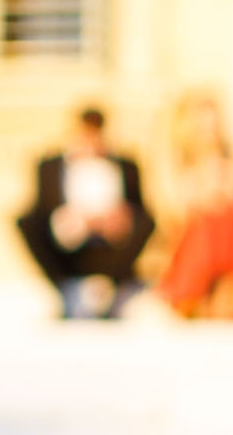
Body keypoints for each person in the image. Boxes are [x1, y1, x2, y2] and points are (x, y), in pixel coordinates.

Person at [18, 106, 156, 318]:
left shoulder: (125, 166)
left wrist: (118, 218)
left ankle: (112, 291)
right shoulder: (51, 167)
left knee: (144, 222)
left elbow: (140, 210)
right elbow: (41, 208)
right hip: (66, 244)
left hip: (111, 245)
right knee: (26, 221)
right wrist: (68, 220)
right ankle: (65, 292)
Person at [155, 89, 233, 319]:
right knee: (204, 232)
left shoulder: (230, 155)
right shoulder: (182, 158)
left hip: (227, 233)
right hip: (198, 234)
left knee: (214, 228)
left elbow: (227, 196)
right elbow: (183, 203)